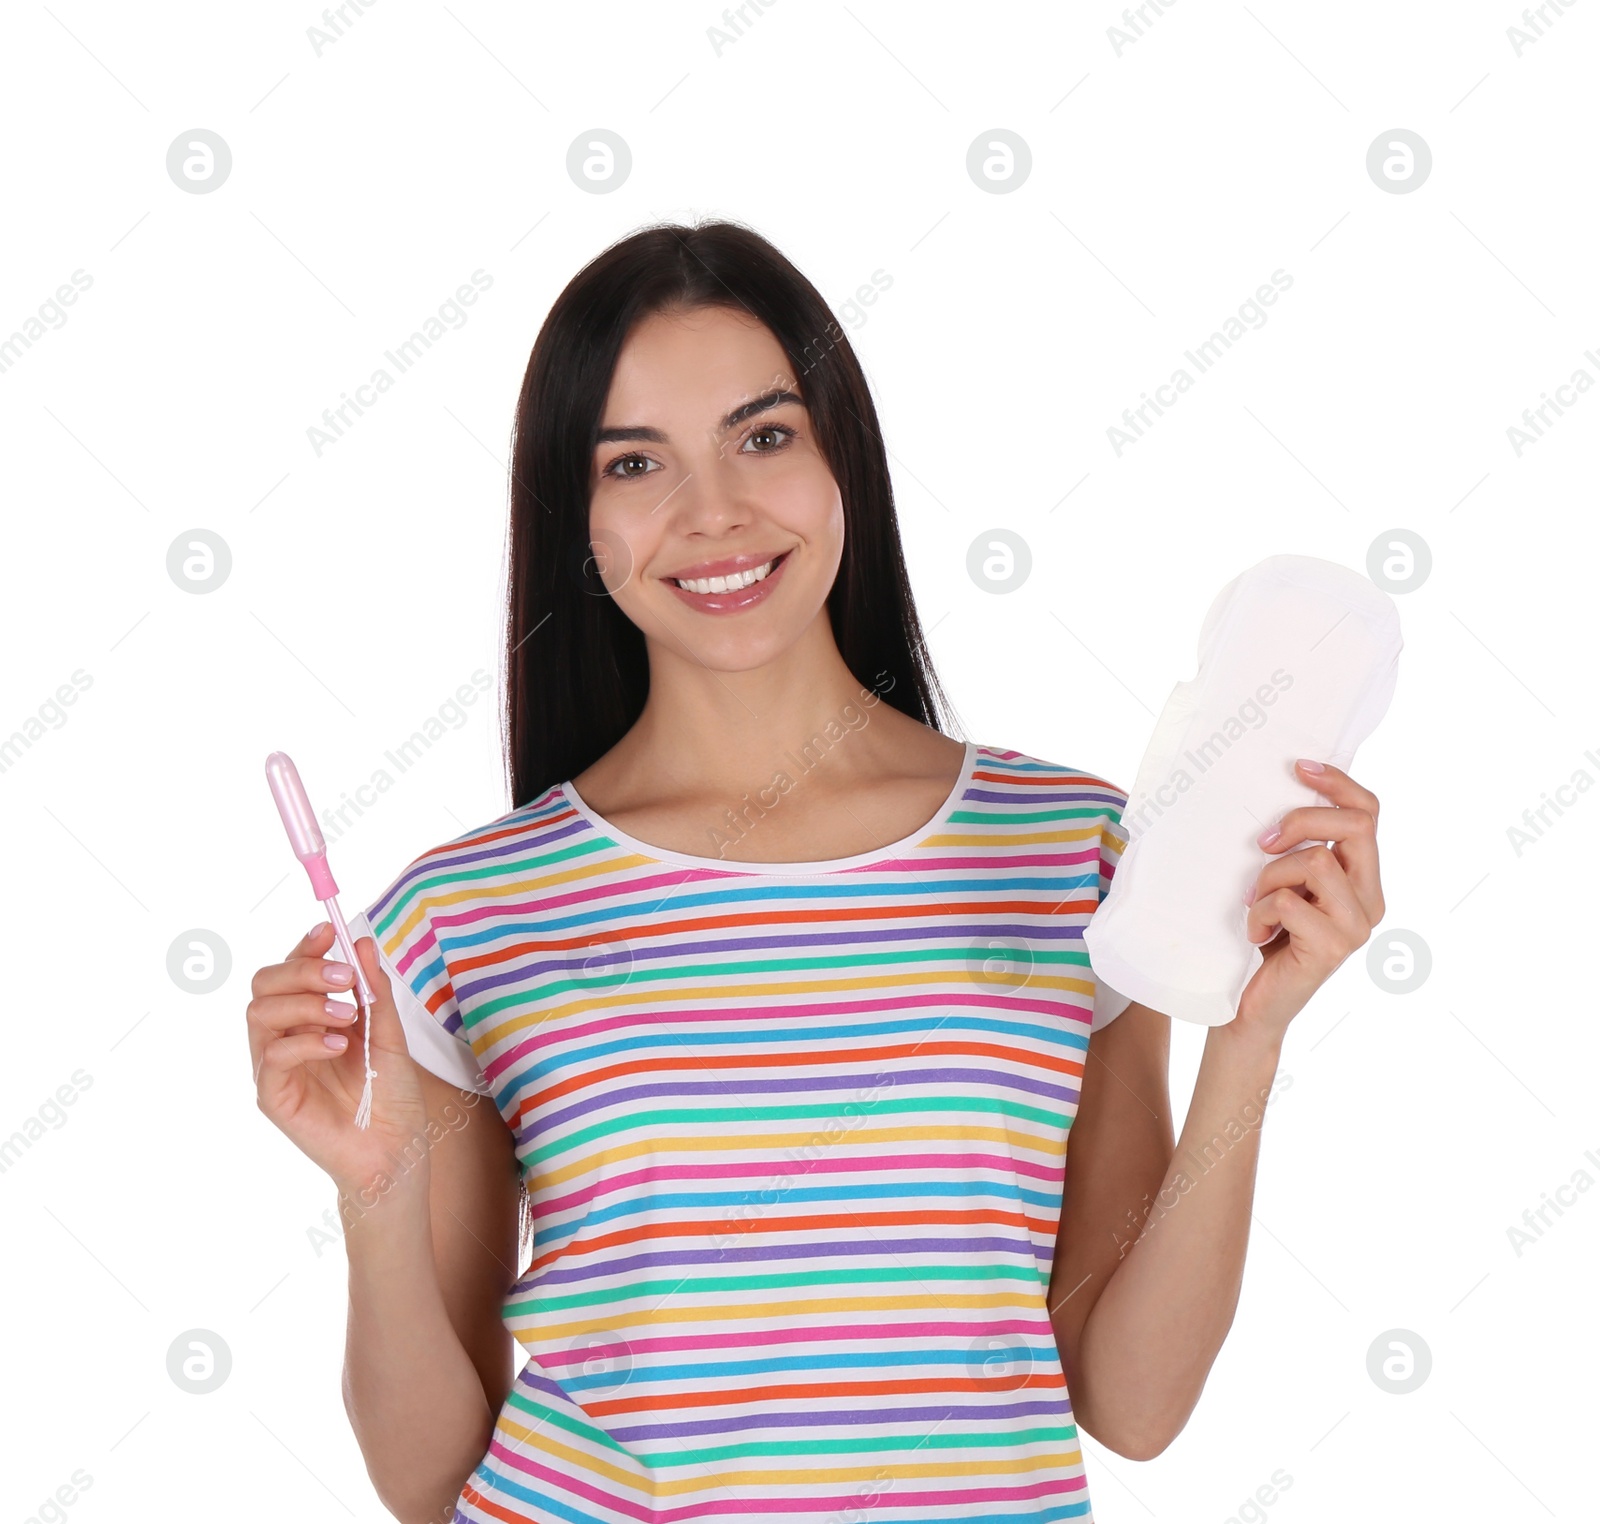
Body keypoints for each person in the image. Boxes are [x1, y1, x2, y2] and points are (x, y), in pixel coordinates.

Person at [246, 219, 1386, 1524]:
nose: (714, 509)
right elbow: (427, 1481)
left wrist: (1247, 1036)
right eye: (635, 462)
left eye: (765, 435)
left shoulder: (1074, 854)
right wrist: (377, 1195)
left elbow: (1130, 1403)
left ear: (846, 453)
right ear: (579, 517)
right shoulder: (462, 916)